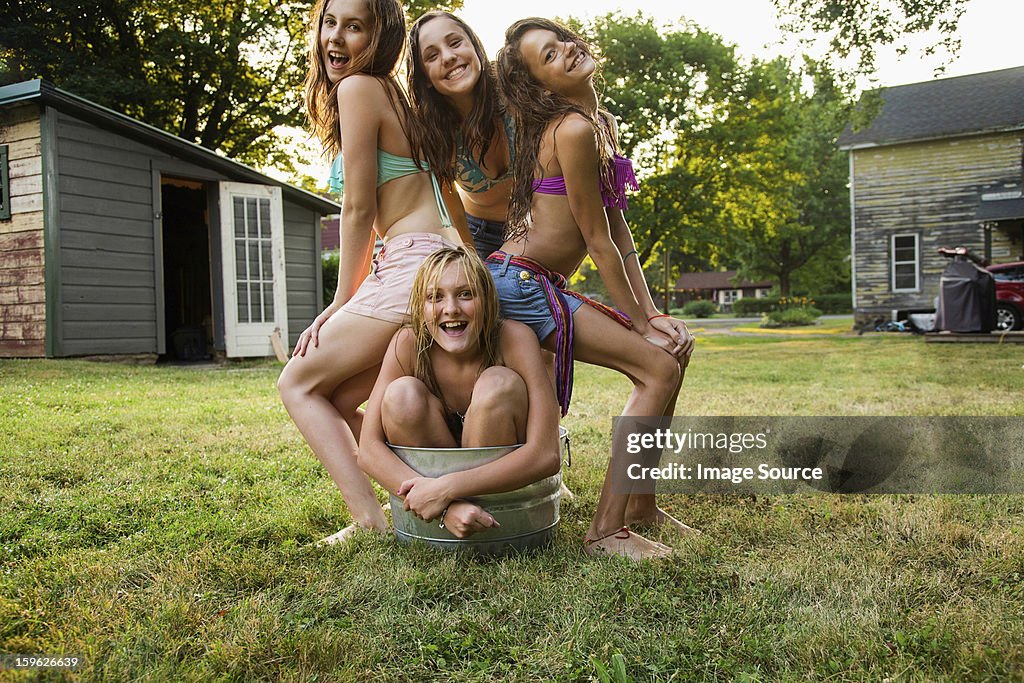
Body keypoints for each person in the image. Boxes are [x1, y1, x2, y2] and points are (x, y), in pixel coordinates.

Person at [494, 18, 697, 561]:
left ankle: (640, 505)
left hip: (535, 283)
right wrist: (639, 324)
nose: (565, 52)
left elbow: (621, 233)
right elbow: (597, 241)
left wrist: (652, 314)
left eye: (562, 41)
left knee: (672, 350)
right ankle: (606, 532)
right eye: (548, 55)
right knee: (657, 365)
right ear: (539, 86)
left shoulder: (595, 123)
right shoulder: (571, 130)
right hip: (520, 286)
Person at [277, 0, 471, 546]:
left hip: (410, 264)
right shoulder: (393, 94)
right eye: (329, 22)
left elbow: (359, 209)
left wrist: (341, 299)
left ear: (379, 35)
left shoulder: (359, 89)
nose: (336, 37)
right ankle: (439, 495)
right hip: (427, 261)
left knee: (296, 382)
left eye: (354, 26)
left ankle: (368, 518)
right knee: (337, 401)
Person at [358, 246, 561, 539]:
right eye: (434, 297)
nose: (451, 308)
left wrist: (447, 488)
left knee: (498, 383)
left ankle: (477, 515)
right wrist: (446, 507)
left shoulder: (514, 339)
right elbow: (368, 450)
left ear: (487, 300)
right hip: (436, 512)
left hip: (503, 510)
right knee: (401, 394)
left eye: (465, 294)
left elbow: (546, 455)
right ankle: (451, 515)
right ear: (420, 307)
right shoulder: (408, 343)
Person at [406, 10, 513, 260]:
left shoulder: (515, 88)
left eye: (455, 43)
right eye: (432, 56)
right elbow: (452, 208)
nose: (448, 57)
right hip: (482, 235)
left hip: (542, 226)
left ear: (475, 45)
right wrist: (472, 260)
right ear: (426, 78)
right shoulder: (431, 132)